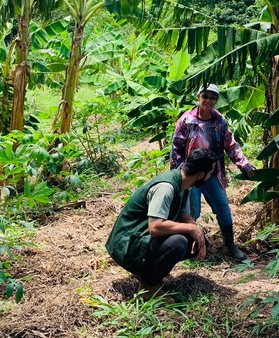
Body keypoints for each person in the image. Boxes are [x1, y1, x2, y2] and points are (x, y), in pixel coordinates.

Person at [105, 148, 217, 296]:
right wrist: (190, 229)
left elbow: (186, 217)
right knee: (178, 243)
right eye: (210, 174)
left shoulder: (184, 186)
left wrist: (198, 235)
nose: (209, 177)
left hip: (140, 238)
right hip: (126, 243)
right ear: (201, 175)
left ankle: (148, 272)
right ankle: (148, 287)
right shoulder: (166, 188)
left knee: (196, 241)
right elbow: (155, 227)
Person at [170, 83, 255, 261]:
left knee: (223, 207)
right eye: (205, 96)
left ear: (217, 100)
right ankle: (191, 249)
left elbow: (230, 144)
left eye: (213, 97)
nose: (208, 100)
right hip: (192, 174)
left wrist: (244, 164)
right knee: (191, 211)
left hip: (213, 173)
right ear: (199, 97)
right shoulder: (187, 120)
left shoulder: (219, 120)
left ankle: (230, 246)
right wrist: (178, 176)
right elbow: (176, 149)